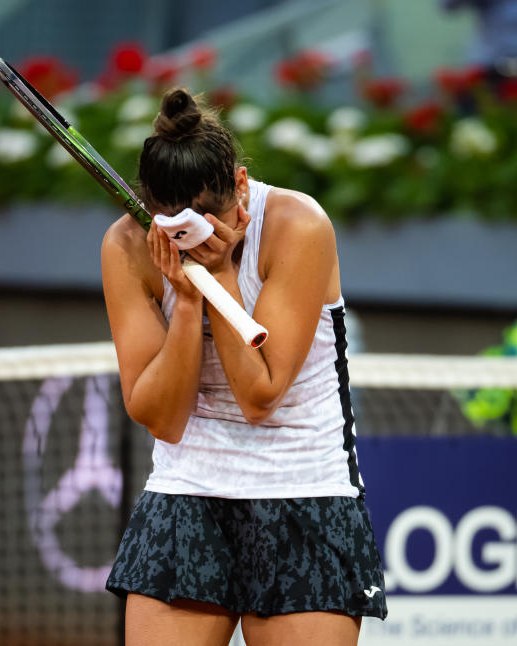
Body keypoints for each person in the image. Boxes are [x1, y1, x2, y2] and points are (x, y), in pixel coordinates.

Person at [101, 89, 387, 646]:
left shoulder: (297, 225)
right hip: (187, 492)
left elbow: (260, 397)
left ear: (240, 183)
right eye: (176, 224)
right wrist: (186, 302)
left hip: (304, 492)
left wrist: (222, 277)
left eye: (211, 219)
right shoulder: (126, 246)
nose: (196, 236)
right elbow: (161, 417)